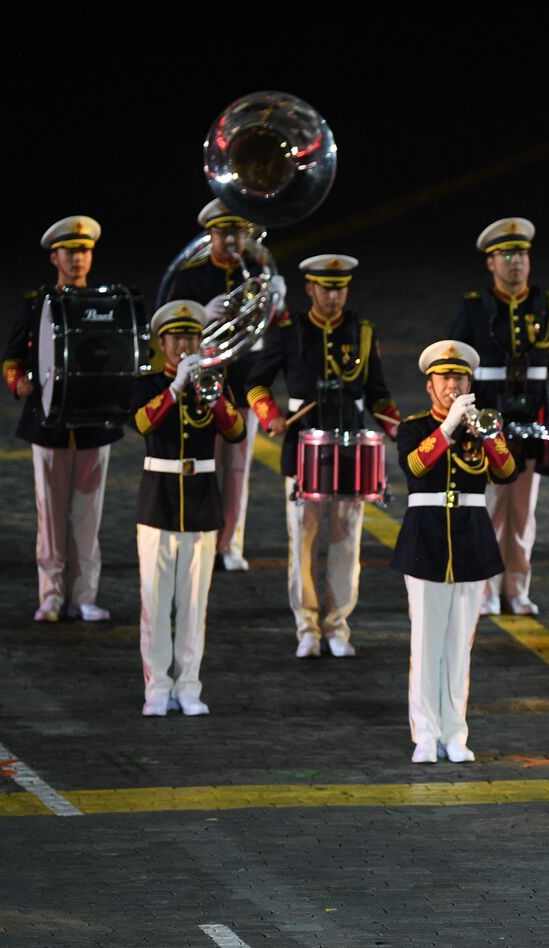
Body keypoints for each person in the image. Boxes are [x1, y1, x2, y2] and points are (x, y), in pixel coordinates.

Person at [247, 254, 400, 658]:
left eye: (340, 288)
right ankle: (307, 626)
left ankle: (337, 625)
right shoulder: (289, 331)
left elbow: (378, 392)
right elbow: (256, 383)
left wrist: (395, 425)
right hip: (304, 446)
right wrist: (271, 417)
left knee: (346, 538)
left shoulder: (361, 332)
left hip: (352, 447)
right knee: (304, 538)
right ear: (310, 289)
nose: (333, 297)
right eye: (326, 288)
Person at [448, 217, 549, 615]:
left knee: (523, 513)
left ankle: (517, 589)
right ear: (491, 263)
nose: (515, 262)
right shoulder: (473, 309)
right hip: (485, 425)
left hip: (530, 421)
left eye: (521, 253)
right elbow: (455, 364)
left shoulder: (548, 305)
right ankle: (486, 591)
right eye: (506, 255)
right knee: (489, 509)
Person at [393, 340, 518, 763]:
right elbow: (413, 466)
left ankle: (455, 733)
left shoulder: (483, 425)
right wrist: (446, 429)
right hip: (426, 539)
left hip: (470, 538)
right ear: (430, 385)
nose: (453, 385)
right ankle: (424, 733)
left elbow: (506, 471)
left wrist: (486, 434)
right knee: (426, 643)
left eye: (460, 377)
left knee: (460, 645)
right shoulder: (413, 426)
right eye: (445, 378)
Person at [162, 198, 291, 572]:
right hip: (202, 384)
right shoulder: (192, 276)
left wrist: (278, 303)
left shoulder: (257, 273)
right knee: (203, 464)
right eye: (223, 232)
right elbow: (170, 331)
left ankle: (229, 543)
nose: (231, 240)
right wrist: (203, 316)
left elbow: (275, 330)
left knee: (237, 470)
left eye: (238, 232)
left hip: (243, 381)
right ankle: (201, 537)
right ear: (211, 233)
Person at [0, 215, 118, 623]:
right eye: (70, 252)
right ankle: (50, 594)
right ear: (55, 257)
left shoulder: (104, 303)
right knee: (50, 516)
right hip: (48, 424)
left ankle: (84, 595)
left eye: (84, 251)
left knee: (88, 517)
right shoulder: (37, 304)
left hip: (92, 425)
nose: (78, 259)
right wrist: (21, 385)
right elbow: (12, 359)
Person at [132, 301, 246, 716]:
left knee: (195, 603)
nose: (185, 345)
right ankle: (157, 686)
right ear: (161, 343)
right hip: (159, 498)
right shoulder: (148, 384)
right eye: (177, 337)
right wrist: (175, 388)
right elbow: (142, 423)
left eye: (192, 337)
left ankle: (189, 685)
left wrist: (209, 394)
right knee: (157, 602)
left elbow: (235, 431)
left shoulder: (215, 381)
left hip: (201, 499)